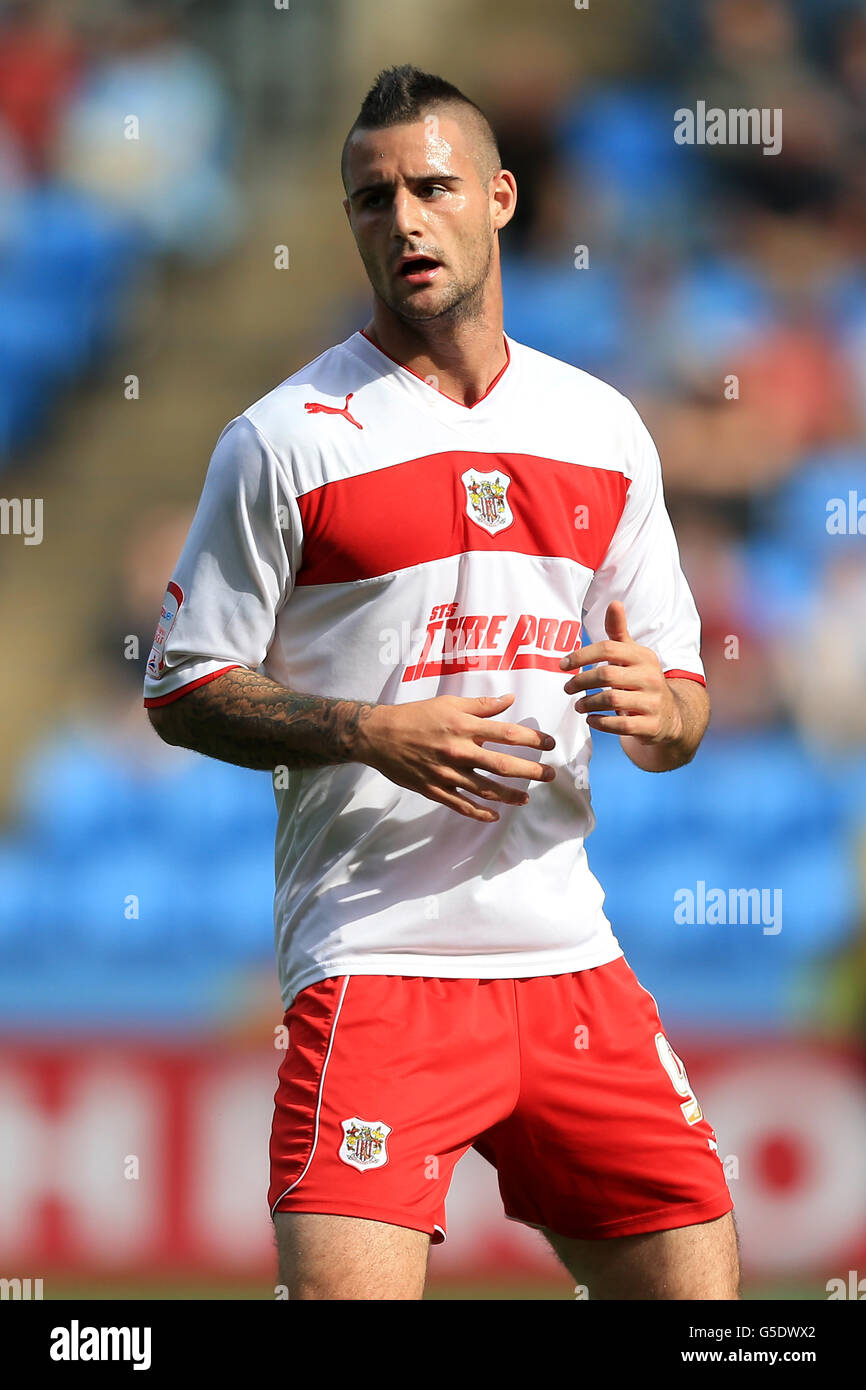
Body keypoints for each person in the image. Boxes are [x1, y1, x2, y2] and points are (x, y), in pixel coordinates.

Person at [144, 65, 737, 1301]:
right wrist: (367, 730)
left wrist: (656, 704)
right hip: (377, 958)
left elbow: (681, 711)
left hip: (567, 952)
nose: (403, 220)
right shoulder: (286, 437)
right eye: (371, 199)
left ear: (499, 198)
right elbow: (183, 685)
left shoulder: (601, 428)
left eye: (431, 188)